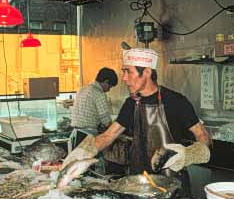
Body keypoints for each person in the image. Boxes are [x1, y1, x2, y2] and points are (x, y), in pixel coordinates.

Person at [58, 48, 211, 187]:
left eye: (128, 72)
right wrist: (81, 153)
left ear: (147, 72)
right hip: (138, 183)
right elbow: (108, 135)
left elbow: (204, 137)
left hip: (173, 184)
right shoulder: (131, 103)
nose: (124, 78)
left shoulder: (176, 101)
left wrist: (188, 155)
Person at [70, 67, 118, 149]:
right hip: (87, 137)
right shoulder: (99, 94)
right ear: (106, 81)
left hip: (75, 135)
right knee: (88, 161)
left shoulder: (82, 89)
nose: (108, 90)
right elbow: (106, 121)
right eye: (110, 86)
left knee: (77, 161)